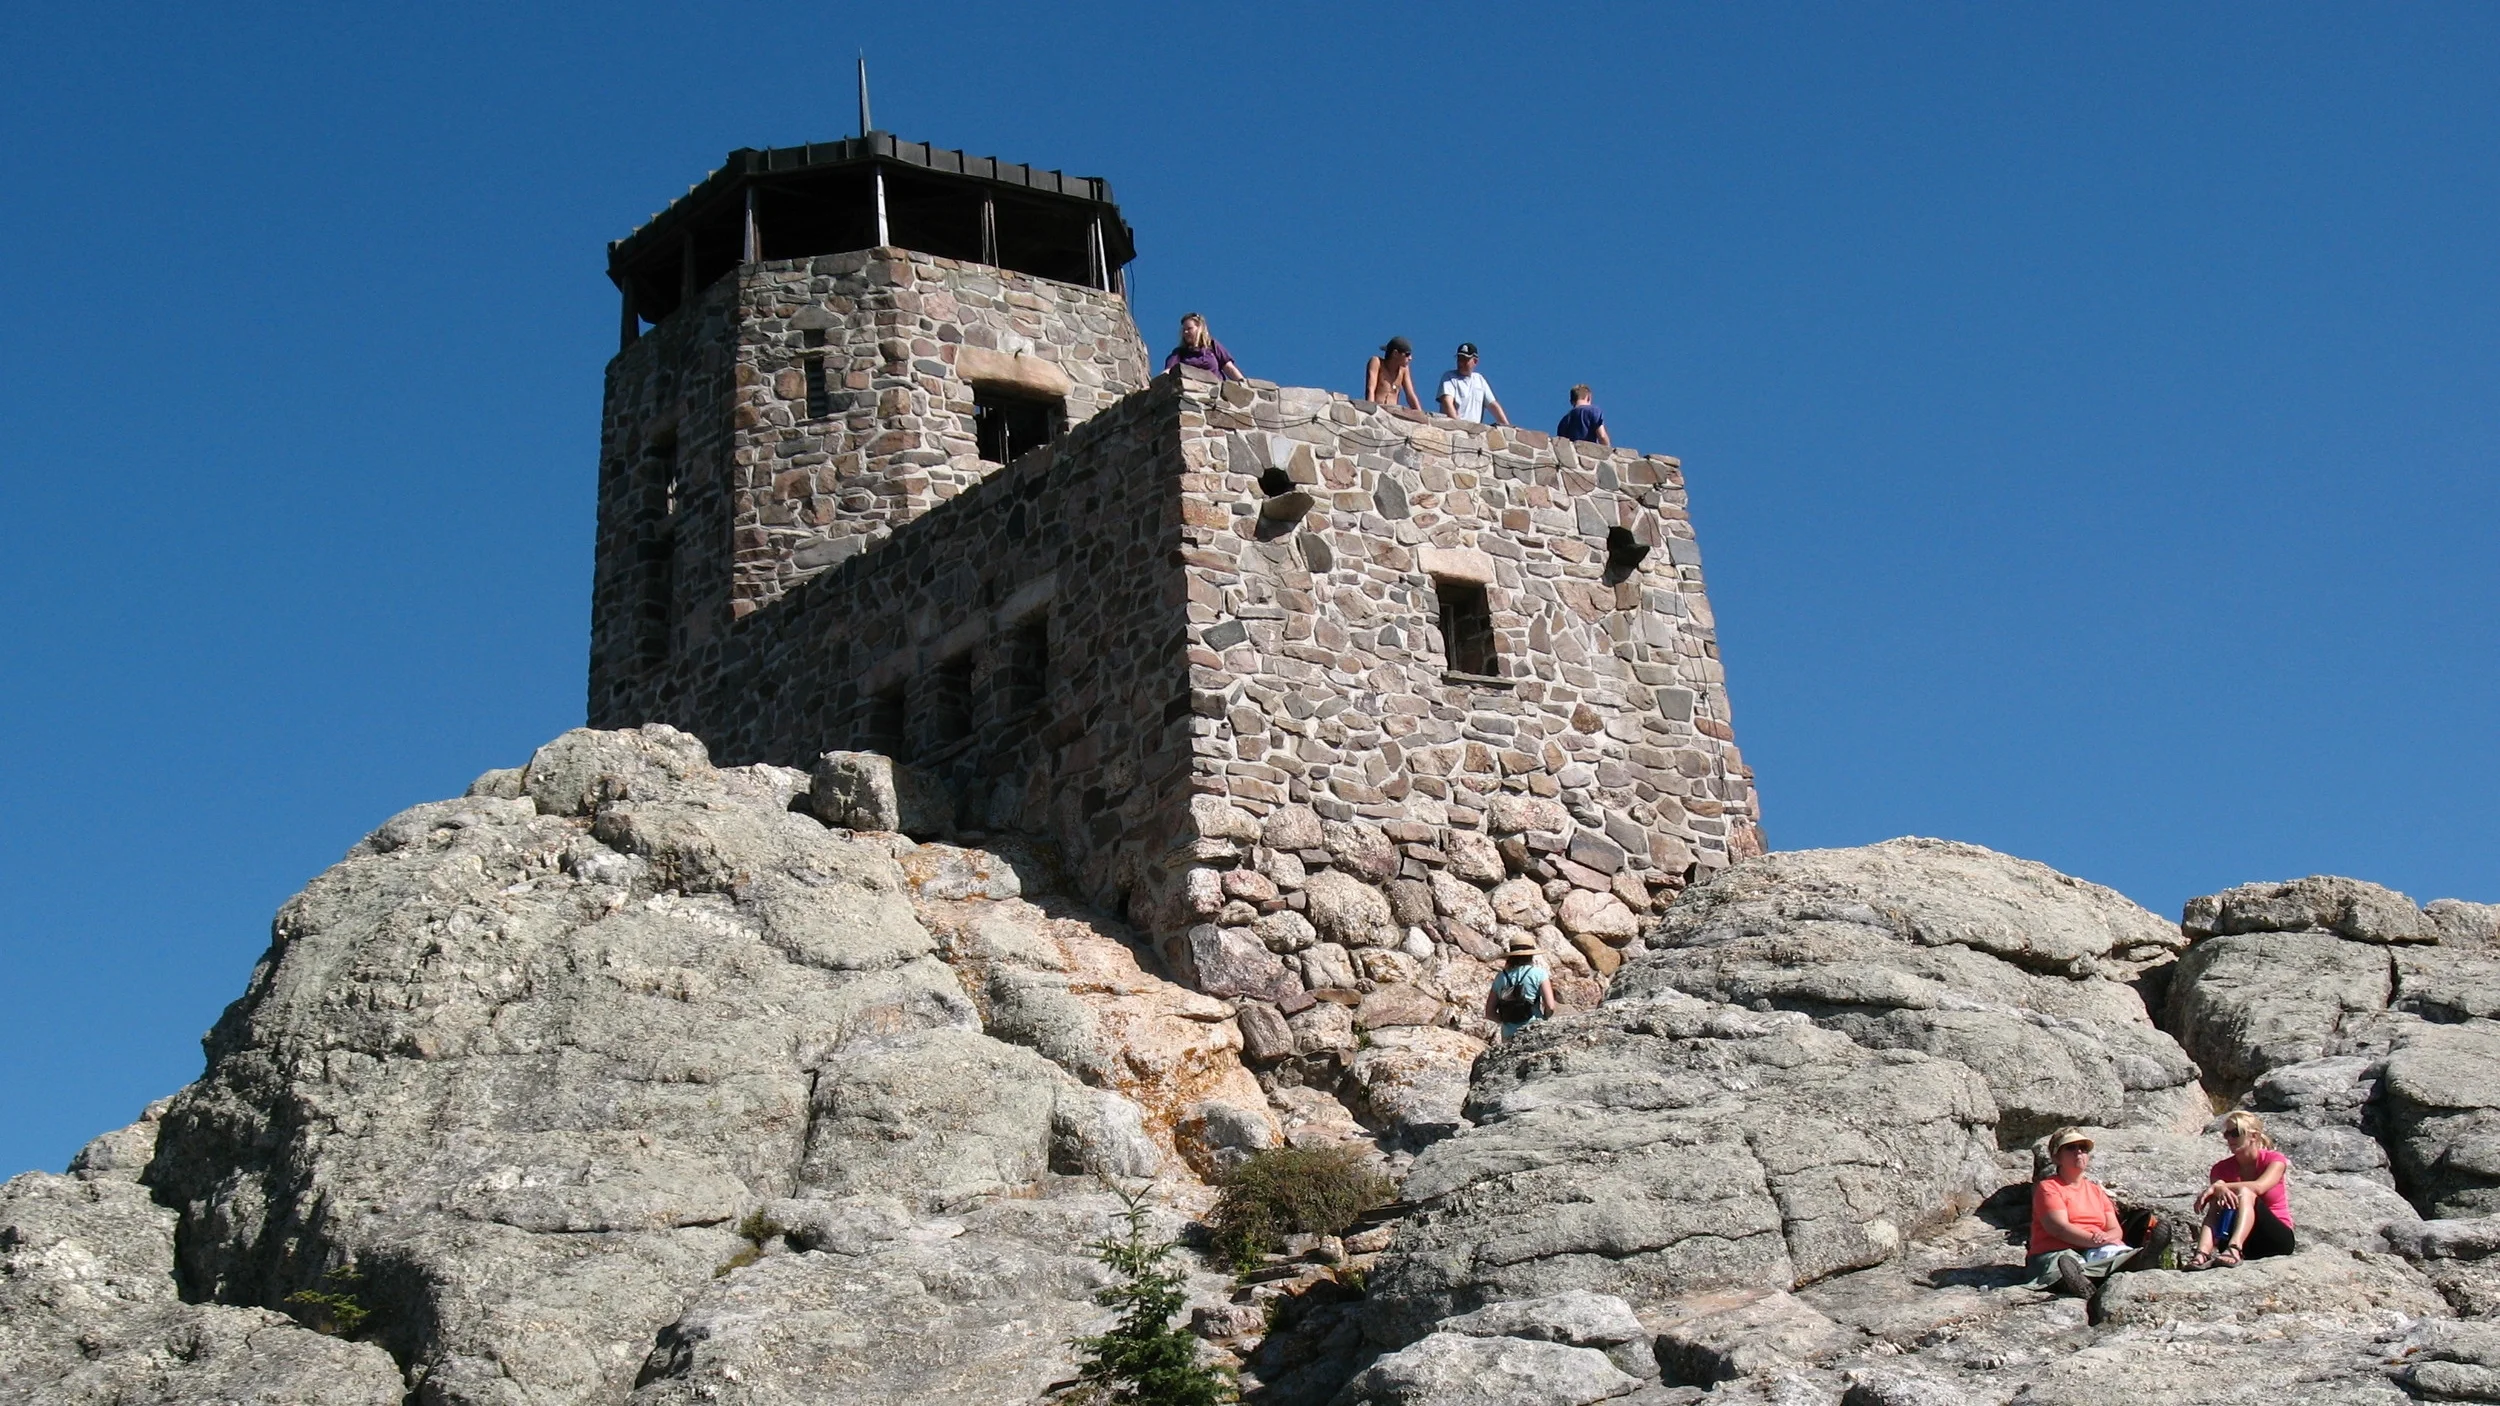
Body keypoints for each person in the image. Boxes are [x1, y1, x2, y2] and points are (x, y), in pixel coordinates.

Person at [2027, 1128, 2161, 1306]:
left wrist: (2107, 1238)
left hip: (2094, 1249)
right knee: (2064, 1264)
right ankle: (2077, 1280)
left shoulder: (2095, 1191)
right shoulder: (2049, 1188)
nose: (2079, 1152)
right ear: (2056, 1157)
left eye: (2083, 1148)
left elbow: (2115, 1229)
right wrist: (2095, 1240)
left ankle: (2137, 1259)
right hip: (2057, 1252)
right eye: (2071, 1147)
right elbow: (2058, 1228)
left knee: (2117, 1253)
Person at [2185, 1111, 2295, 1268]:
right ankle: (2202, 1254)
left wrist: (2220, 1186)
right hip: (2241, 1239)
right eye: (2227, 1134)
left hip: (2275, 1239)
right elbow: (2215, 1208)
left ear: (2253, 1136)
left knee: (2245, 1192)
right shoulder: (2220, 1169)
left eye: (2235, 1133)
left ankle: (2234, 1249)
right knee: (2217, 1200)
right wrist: (2218, 1189)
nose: (2229, 1139)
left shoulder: (2274, 1160)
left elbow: (2259, 1186)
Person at [1483, 933, 1556, 1040]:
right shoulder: (1539, 974)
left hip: (1509, 1034)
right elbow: (1550, 1006)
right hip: (1533, 1029)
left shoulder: (1501, 977)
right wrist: (1544, 1018)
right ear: (1531, 955)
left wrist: (1507, 1020)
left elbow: (1489, 1013)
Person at [1437, 343, 1510, 426]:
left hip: (1472, 432)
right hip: (1454, 429)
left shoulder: (1479, 380)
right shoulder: (1449, 377)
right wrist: (1458, 425)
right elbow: (1447, 402)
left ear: (1475, 361)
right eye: (1459, 359)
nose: (1461, 363)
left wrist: (1507, 426)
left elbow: (1493, 405)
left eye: (1465, 359)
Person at [1164, 313, 1245, 381]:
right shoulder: (1179, 353)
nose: (1186, 332)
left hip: (1214, 392)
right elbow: (1168, 371)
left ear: (1199, 328)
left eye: (1189, 329)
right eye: (1184, 330)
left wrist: (1243, 384)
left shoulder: (1213, 345)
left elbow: (1228, 368)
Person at [1365, 337, 1423, 410]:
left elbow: (1410, 395)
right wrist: (1370, 410)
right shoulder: (1377, 362)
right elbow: (1370, 389)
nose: (1410, 358)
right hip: (1378, 409)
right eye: (1407, 354)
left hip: (1393, 411)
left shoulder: (1404, 369)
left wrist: (1420, 414)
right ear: (1395, 353)